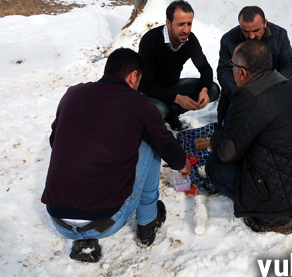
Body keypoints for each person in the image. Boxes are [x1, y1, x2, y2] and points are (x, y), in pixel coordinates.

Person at [41, 48, 192, 263]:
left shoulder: (73, 94)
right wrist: (183, 165)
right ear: (133, 77)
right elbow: (166, 145)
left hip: (59, 220)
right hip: (106, 220)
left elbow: (54, 142)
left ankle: (83, 238)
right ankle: (147, 223)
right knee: (151, 142)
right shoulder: (138, 103)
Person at [206, 40, 292, 238]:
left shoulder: (250, 95)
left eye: (232, 66)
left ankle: (275, 218)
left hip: (288, 175)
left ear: (242, 72)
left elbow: (228, 152)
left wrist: (216, 137)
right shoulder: (285, 84)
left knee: (215, 166)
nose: (232, 70)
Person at [138, 0, 220, 130]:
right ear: (168, 23)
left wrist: (204, 90)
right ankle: (159, 118)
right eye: (181, 24)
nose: (186, 30)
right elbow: (146, 85)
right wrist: (178, 99)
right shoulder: (150, 40)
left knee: (213, 89)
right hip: (148, 92)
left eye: (189, 24)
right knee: (160, 109)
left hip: (172, 86)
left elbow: (205, 68)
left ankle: (171, 114)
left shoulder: (189, 40)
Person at [217, 6, 292, 128]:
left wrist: (275, 88)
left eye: (256, 30)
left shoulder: (280, 35)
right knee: (232, 123)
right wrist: (237, 93)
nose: (251, 36)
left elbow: (290, 65)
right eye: (245, 31)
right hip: (243, 89)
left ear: (265, 23)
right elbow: (223, 71)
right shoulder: (228, 39)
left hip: (273, 86)